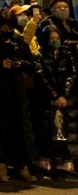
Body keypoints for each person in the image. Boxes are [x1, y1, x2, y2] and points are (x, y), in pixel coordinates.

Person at [0, 12, 37, 182]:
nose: (6, 29)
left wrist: (20, 64)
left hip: (16, 92)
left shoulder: (20, 43)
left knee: (18, 131)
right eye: (4, 25)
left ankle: (21, 165)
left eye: (9, 26)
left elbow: (31, 65)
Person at [35, 26, 75, 176]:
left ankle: (62, 159)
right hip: (46, 99)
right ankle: (45, 158)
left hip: (63, 99)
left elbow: (72, 76)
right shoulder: (39, 56)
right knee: (46, 129)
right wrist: (54, 95)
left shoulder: (66, 55)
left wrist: (64, 94)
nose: (55, 41)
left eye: (56, 38)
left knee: (62, 129)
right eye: (51, 38)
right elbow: (41, 76)